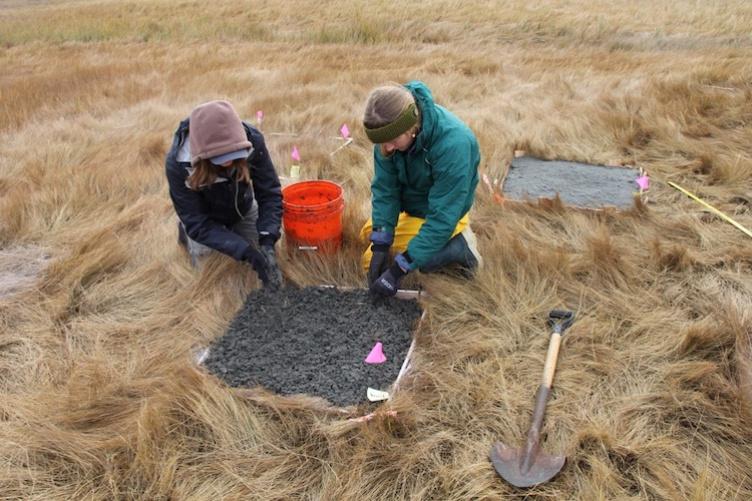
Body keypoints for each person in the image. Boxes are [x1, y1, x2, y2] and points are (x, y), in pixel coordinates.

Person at [361, 81, 482, 297]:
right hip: (414, 209)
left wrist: (399, 268)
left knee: (417, 261)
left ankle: (462, 244)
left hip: (446, 214)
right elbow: (385, 190)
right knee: (370, 248)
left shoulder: (454, 144)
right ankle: (420, 250)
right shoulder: (388, 138)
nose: (386, 148)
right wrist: (380, 246)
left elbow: (442, 217)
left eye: (392, 141)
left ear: (411, 126)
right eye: (382, 143)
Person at [165, 100, 283, 289]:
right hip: (206, 221)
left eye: (234, 155)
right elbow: (197, 222)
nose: (228, 162)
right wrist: (243, 250)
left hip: (242, 208)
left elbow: (269, 193)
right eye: (220, 158)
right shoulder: (178, 165)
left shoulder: (253, 141)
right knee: (215, 276)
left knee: (265, 255)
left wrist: (268, 237)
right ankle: (186, 236)